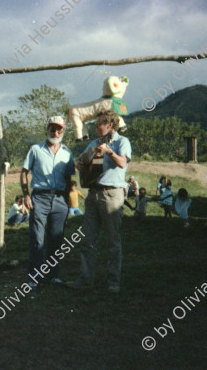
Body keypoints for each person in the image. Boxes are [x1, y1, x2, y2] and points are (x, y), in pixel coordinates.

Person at [67, 110, 131, 293]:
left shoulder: (122, 142)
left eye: (99, 123)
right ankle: (86, 280)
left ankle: (113, 282)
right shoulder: (94, 144)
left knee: (113, 241)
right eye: (95, 124)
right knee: (88, 240)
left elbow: (122, 163)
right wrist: (78, 164)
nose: (96, 127)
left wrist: (110, 152)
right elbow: (82, 160)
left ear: (110, 124)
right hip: (93, 195)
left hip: (112, 195)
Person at [21, 115, 74, 289]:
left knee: (56, 239)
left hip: (60, 199)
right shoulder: (35, 149)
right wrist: (26, 195)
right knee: (37, 239)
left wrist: (68, 205)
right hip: (39, 198)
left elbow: (68, 179)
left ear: (63, 131)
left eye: (59, 129)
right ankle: (34, 278)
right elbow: (24, 172)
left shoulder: (67, 152)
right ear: (47, 129)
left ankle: (52, 276)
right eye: (52, 128)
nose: (55, 132)